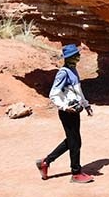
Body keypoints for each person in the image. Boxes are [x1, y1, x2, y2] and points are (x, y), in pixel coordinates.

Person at [35, 44, 94, 183]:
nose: (79, 56)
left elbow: (78, 92)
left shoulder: (73, 70)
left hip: (74, 111)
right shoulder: (63, 72)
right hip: (67, 112)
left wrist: (86, 105)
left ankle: (45, 162)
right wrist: (64, 107)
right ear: (70, 58)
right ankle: (76, 173)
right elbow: (53, 93)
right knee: (75, 142)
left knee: (73, 141)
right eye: (76, 55)